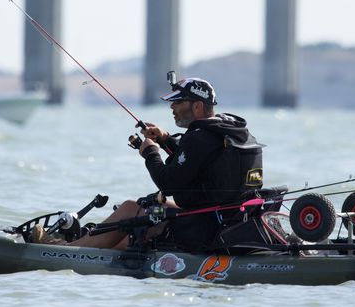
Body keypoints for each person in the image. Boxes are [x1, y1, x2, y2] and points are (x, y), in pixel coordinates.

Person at [32, 77, 263, 251]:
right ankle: (84, 245)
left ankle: (63, 251)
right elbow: (198, 163)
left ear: (197, 107)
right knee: (131, 227)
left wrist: (150, 152)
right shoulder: (227, 132)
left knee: (131, 208)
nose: (172, 107)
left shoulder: (199, 138)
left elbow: (168, 183)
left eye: (178, 102)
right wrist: (164, 140)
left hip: (201, 229)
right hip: (224, 221)